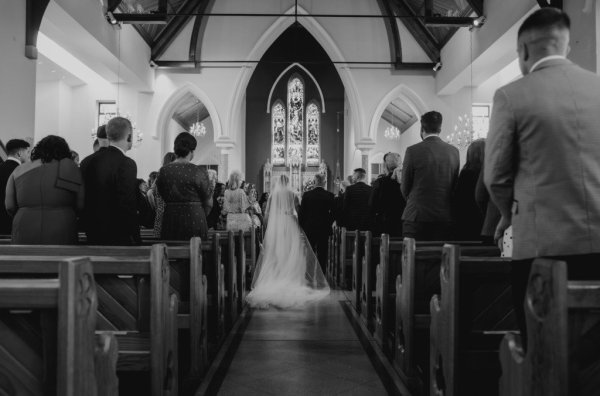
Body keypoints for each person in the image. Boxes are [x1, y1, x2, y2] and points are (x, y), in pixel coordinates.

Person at [484, 8, 600, 350]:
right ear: (564, 45)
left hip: (543, 247)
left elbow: (496, 175)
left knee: (542, 353)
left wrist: (507, 214)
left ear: (522, 51)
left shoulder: (512, 95)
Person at [246, 174, 330, 309]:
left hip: (277, 224)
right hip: (289, 222)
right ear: (288, 182)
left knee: (276, 251)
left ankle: (277, 276)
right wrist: (299, 225)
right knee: (290, 250)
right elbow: (299, 211)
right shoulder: (293, 194)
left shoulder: (273, 195)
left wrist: (268, 227)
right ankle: (291, 277)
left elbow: (267, 214)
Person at [6, 135, 83, 244]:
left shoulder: (19, 170)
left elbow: (9, 206)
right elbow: (80, 204)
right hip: (62, 226)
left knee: (25, 259)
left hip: (24, 226)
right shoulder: (70, 168)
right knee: (60, 259)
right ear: (64, 151)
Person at [81, 116, 140, 245]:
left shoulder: (86, 161)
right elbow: (127, 203)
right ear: (129, 136)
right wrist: (135, 237)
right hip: (118, 234)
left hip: (92, 232)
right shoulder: (126, 163)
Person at [401, 111, 459, 240]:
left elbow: (404, 186)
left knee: (411, 257)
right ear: (440, 128)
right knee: (440, 257)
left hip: (416, 216)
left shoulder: (412, 151)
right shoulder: (454, 152)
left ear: (422, 128)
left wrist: (415, 202)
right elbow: (454, 185)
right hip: (444, 216)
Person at [156, 132, 212, 240]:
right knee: (195, 254)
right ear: (191, 151)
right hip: (195, 220)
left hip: (171, 220)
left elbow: (162, 195)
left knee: (170, 253)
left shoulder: (163, 171)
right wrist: (199, 213)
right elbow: (209, 202)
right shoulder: (199, 171)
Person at [299, 173, 335, 273]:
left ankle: (309, 274)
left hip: (309, 228)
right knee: (322, 252)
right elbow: (334, 213)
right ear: (324, 182)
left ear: (314, 182)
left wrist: (303, 227)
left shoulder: (307, 195)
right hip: (324, 229)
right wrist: (328, 222)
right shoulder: (330, 195)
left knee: (309, 253)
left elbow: (301, 214)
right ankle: (321, 275)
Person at [452, 139, 485, 240]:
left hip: (464, 222)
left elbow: (457, 200)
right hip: (482, 221)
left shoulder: (465, 174)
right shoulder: (487, 174)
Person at [369, 152, 405, 237]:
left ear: (386, 166)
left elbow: (372, 204)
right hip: (402, 223)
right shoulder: (406, 182)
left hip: (384, 224)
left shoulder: (380, 182)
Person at [0, 139, 30, 235]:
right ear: (20, 153)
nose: (28, 155)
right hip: (13, 220)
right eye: (27, 152)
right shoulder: (21, 171)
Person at [153, 152, 176, 237]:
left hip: (160, 211)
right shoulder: (169, 174)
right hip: (169, 211)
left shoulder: (160, 173)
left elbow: (152, 192)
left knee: (160, 238)